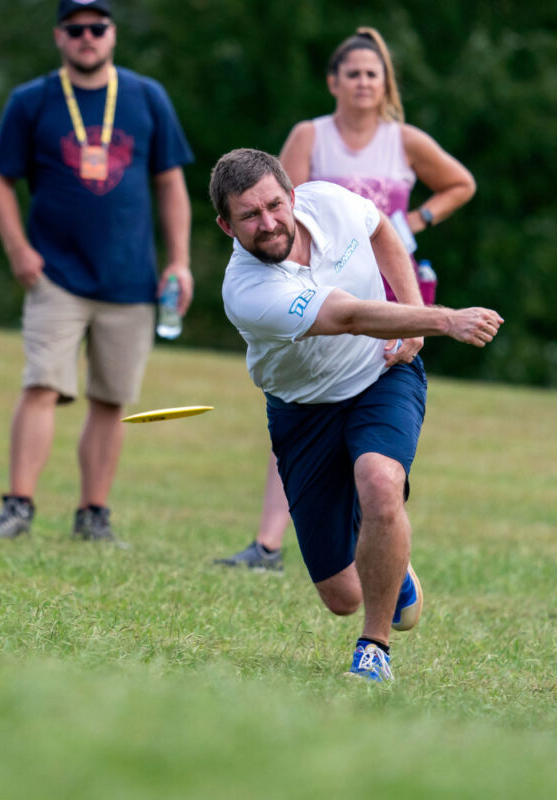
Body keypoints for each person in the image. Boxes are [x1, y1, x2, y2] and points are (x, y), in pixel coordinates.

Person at [210, 148, 501, 680]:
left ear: (293, 196)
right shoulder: (247, 289)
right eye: (250, 216)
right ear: (227, 225)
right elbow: (345, 316)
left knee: (380, 482)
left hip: (380, 376)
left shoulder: (332, 202)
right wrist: (441, 319)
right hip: (303, 413)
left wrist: (412, 323)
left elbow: (384, 233)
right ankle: (396, 570)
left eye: (275, 205)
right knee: (342, 595)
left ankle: (374, 649)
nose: (269, 223)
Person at [216, 27, 476, 571]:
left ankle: (380, 518)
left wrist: (415, 222)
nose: (362, 83)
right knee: (308, 390)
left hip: (389, 278)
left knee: (377, 433)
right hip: (315, 290)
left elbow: (459, 184)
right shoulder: (310, 137)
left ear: (386, 84)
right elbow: (279, 204)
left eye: (372, 74)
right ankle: (270, 539)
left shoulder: (404, 139)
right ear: (333, 82)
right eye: (352, 73)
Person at [0, 0, 193, 545]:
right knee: (42, 385)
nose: (87, 37)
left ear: (113, 34)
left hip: (131, 279)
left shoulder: (146, 97)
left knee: (112, 399)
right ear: (59, 37)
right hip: (55, 274)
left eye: (97, 28)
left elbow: (170, 183)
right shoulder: (32, 100)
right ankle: (17, 506)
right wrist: (18, 250)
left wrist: (179, 261)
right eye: (76, 30)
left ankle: (93, 515)